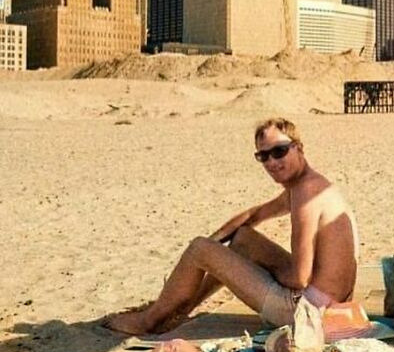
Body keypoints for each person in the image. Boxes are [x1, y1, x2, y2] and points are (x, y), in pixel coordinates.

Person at [106, 117, 358, 334]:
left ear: (299, 148)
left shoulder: (305, 194)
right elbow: (254, 214)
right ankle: (177, 307)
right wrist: (217, 245)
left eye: (279, 151)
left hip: (306, 312)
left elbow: (299, 277)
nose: (272, 162)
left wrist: (253, 264)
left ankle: (149, 321)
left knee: (198, 249)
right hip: (333, 304)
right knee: (242, 239)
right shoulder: (310, 185)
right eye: (263, 156)